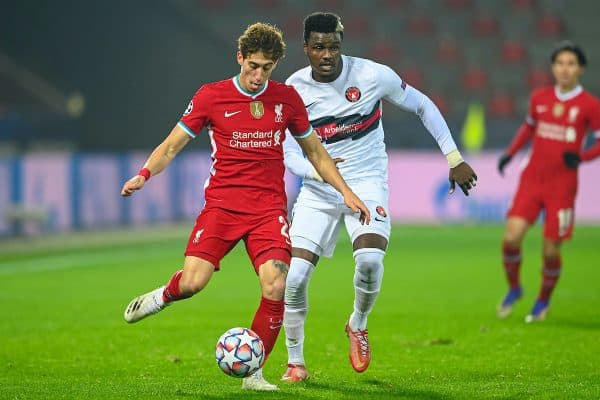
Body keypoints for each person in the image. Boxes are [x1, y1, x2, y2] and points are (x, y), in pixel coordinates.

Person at [120, 22, 370, 392]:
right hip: (222, 206)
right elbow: (172, 145)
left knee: (277, 283)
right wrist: (144, 174)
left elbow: (315, 151)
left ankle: (254, 373)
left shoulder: (286, 99)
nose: (257, 75)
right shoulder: (211, 96)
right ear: (239, 58)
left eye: (266, 68)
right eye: (252, 65)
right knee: (193, 283)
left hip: (268, 209)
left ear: (275, 66)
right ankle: (162, 296)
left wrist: (346, 191)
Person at [280, 12, 478, 382]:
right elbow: (289, 152)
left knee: (370, 261)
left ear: (342, 45)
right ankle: (296, 362)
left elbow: (423, 105)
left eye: (334, 47)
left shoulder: (372, 75)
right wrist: (320, 172)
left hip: (367, 182)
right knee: (295, 277)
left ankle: (358, 323)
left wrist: (454, 158)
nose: (327, 55)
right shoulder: (293, 91)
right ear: (306, 48)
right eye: (319, 47)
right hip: (320, 190)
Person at [497, 41, 600, 323]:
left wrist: (582, 157)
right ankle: (515, 288)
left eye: (571, 64)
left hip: (562, 186)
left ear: (580, 69)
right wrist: (510, 154)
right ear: (553, 67)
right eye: (560, 63)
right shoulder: (540, 97)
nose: (565, 69)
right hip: (532, 180)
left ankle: (542, 300)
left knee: (550, 249)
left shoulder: (590, 105)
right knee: (511, 238)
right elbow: (529, 127)